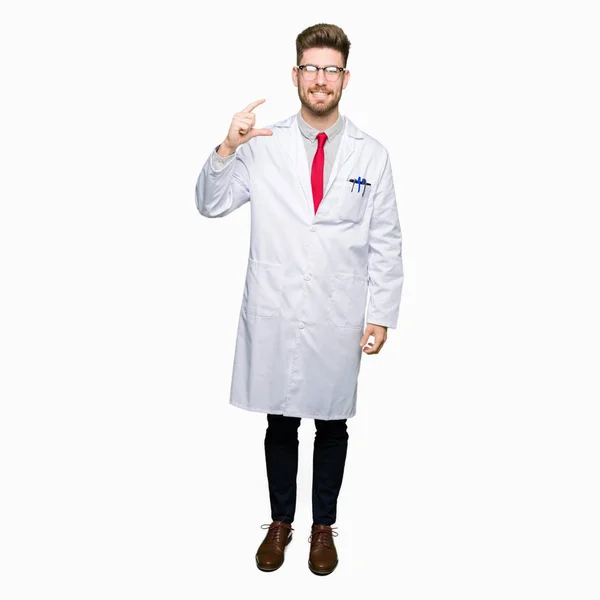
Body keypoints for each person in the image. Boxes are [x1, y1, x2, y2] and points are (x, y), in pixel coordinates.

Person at [194, 23, 404, 575]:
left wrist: (381, 313)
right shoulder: (263, 146)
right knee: (281, 421)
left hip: (338, 315)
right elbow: (210, 204)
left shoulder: (372, 155)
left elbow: (386, 239)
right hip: (279, 308)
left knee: (332, 424)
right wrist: (226, 147)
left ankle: (321, 528)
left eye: (330, 69)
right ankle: (281, 522)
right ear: (295, 75)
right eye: (310, 68)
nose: (320, 79)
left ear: (345, 78)